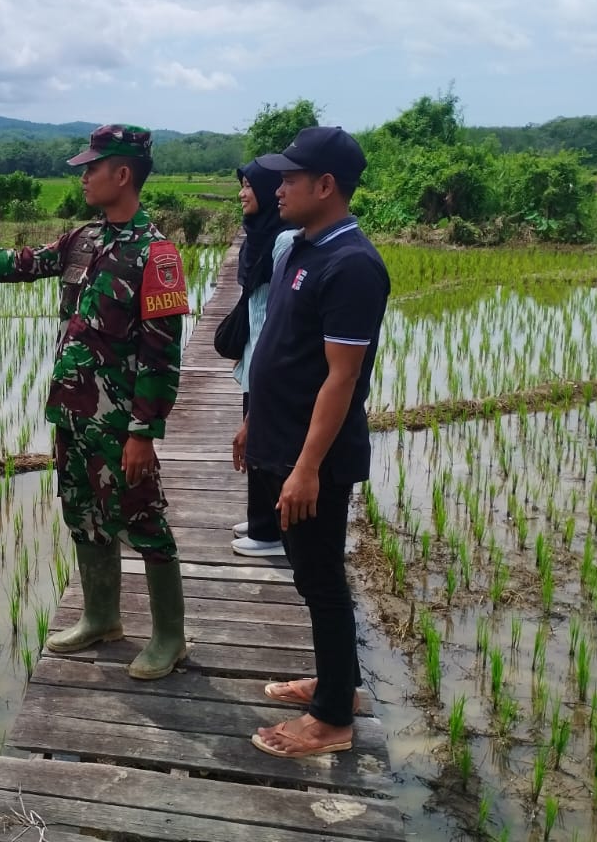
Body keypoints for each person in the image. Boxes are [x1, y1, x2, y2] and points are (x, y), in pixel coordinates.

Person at [0, 124, 191, 680]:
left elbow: (161, 354)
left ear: (122, 174)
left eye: (92, 168)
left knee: (143, 519)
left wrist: (144, 432)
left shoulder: (157, 255)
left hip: (119, 423)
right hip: (71, 413)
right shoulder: (82, 239)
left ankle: (170, 638)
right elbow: (20, 263)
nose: (83, 177)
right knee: (82, 513)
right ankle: (101, 618)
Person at [230, 126, 390, 758]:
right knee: (310, 574)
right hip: (282, 440)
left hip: (312, 458)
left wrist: (306, 468)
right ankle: (336, 683)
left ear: (326, 186)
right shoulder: (301, 248)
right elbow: (282, 347)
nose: (279, 188)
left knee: (321, 579)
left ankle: (332, 721)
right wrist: (254, 421)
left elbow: (341, 378)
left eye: (291, 178)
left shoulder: (352, 265)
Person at [229, 160, 294, 558]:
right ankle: (263, 520)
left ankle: (270, 531)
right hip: (257, 356)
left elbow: (279, 309)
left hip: (271, 359)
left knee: (263, 443)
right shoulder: (260, 234)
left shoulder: (283, 240)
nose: (242, 193)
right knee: (257, 443)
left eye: (249, 186)